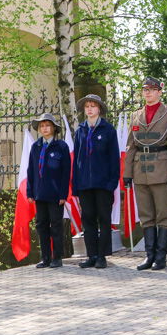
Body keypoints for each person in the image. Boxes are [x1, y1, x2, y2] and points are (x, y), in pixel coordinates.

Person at [123, 77, 167, 271]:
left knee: (163, 215)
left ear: (159, 92)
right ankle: (149, 256)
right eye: (145, 89)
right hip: (141, 170)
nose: (147, 92)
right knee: (146, 215)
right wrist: (127, 172)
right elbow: (131, 146)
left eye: (152, 89)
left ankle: (161, 257)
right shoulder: (136, 115)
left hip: (161, 169)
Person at [73, 94, 119, 269]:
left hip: (103, 184)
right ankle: (91, 255)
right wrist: (76, 186)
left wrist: (111, 184)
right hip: (85, 185)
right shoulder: (80, 130)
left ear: (99, 109)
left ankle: (102, 256)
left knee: (104, 219)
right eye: (87, 106)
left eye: (93, 106)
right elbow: (76, 161)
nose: (90, 109)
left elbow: (114, 159)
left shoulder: (108, 130)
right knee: (88, 220)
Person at [27, 113, 70, 269]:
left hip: (55, 194)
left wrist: (63, 194)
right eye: (42, 126)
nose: (44, 128)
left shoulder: (61, 147)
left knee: (56, 225)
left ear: (53, 128)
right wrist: (30, 191)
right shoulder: (36, 147)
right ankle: (45, 257)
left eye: (47, 125)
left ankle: (57, 257)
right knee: (41, 225)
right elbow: (31, 170)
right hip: (40, 193)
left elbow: (66, 173)